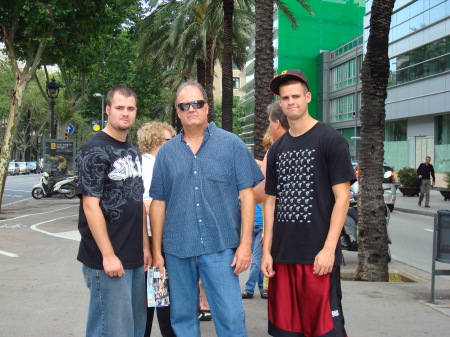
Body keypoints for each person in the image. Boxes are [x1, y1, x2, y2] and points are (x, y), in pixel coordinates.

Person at [149, 80, 264, 337]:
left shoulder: (231, 145)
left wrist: (245, 245)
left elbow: (248, 196)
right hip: (178, 250)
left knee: (231, 317)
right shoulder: (166, 154)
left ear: (207, 107)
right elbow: (158, 204)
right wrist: (157, 254)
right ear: (178, 111)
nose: (191, 109)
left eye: (196, 103)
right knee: (182, 319)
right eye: (184, 105)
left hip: (220, 249)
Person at [261, 69, 355, 337]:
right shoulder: (277, 149)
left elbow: (343, 198)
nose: (291, 102)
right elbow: (270, 201)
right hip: (282, 257)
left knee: (325, 331)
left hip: (317, 259)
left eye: (296, 96)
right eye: (285, 98)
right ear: (280, 102)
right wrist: (267, 251)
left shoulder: (330, 140)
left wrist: (328, 249)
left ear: (308, 97)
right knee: (284, 332)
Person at [76, 86, 150, 337]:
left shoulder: (132, 151)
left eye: (130, 108)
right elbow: (90, 205)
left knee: (135, 330)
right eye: (119, 108)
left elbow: (137, 201)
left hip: (134, 258)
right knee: (111, 330)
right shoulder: (93, 150)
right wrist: (108, 255)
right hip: (106, 259)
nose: (125, 114)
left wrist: (146, 248)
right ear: (108, 110)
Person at [137, 121, 176, 337]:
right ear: (154, 141)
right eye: (168, 140)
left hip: (152, 240)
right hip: (155, 240)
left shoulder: (145, 164)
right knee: (160, 302)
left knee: (151, 303)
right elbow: (147, 204)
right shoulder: (151, 166)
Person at [254, 102, 289, 204]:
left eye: (270, 122)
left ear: (277, 123)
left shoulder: (274, 151)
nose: (269, 128)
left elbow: (260, 194)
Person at [241, 203, 267, 299]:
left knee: (255, 260)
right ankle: (262, 288)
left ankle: (249, 289)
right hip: (250, 227)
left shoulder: (263, 189)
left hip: (261, 228)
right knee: (258, 261)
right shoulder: (248, 188)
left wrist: (266, 232)